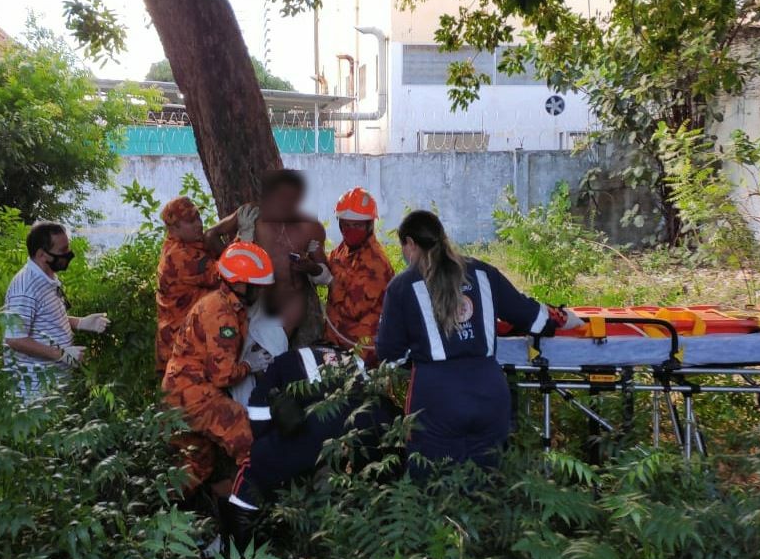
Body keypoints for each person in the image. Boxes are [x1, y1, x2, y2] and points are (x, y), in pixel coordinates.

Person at [375, 210, 582, 475]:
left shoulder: (402, 286)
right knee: (486, 483)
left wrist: (416, 358)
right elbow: (534, 317)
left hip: (436, 398)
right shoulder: (483, 273)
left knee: (433, 486)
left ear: (411, 244)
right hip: (489, 393)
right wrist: (567, 319)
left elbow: (389, 355)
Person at [222, 346, 397, 549]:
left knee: (255, 466)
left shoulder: (282, 363)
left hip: (318, 423)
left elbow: (257, 418)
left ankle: (237, 552)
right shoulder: (350, 357)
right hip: (375, 423)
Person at [162, 241, 275, 493]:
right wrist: (248, 365)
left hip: (177, 391)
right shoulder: (222, 315)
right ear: (240, 283)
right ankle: (248, 510)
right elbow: (222, 376)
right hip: (193, 394)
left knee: (197, 463)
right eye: (256, 286)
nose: (260, 292)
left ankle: (167, 511)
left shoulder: (221, 302)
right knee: (247, 440)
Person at [206, 169, 331, 346]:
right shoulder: (250, 216)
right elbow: (210, 235)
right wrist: (237, 260)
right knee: (235, 360)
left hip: (286, 308)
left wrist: (310, 268)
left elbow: (325, 276)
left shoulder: (311, 228)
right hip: (247, 303)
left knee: (267, 362)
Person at [3, 222, 111, 399]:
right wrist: (61, 354)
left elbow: (46, 317)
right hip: (35, 391)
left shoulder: (47, 277)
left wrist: (81, 322)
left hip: (56, 383)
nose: (69, 255)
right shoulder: (25, 288)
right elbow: (15, 339)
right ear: (41, 254)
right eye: (63, 251)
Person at [324, 187, 394, 358]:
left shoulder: (375, 263)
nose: (350, 229)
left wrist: (330, 281)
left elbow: (352, 309)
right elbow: (330, 263)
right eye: (345, 224)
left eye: (357, 225)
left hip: (361, 354)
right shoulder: (344, 248)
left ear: (369, 225)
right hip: (336, 346)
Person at [155, 197, 220, 375]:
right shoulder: (180, 255)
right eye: (190, 221)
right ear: (173, 228)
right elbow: (230, 276)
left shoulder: (186, 243)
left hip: (186, 342)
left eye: (198, 217)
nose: (199, 224)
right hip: (183, 349)